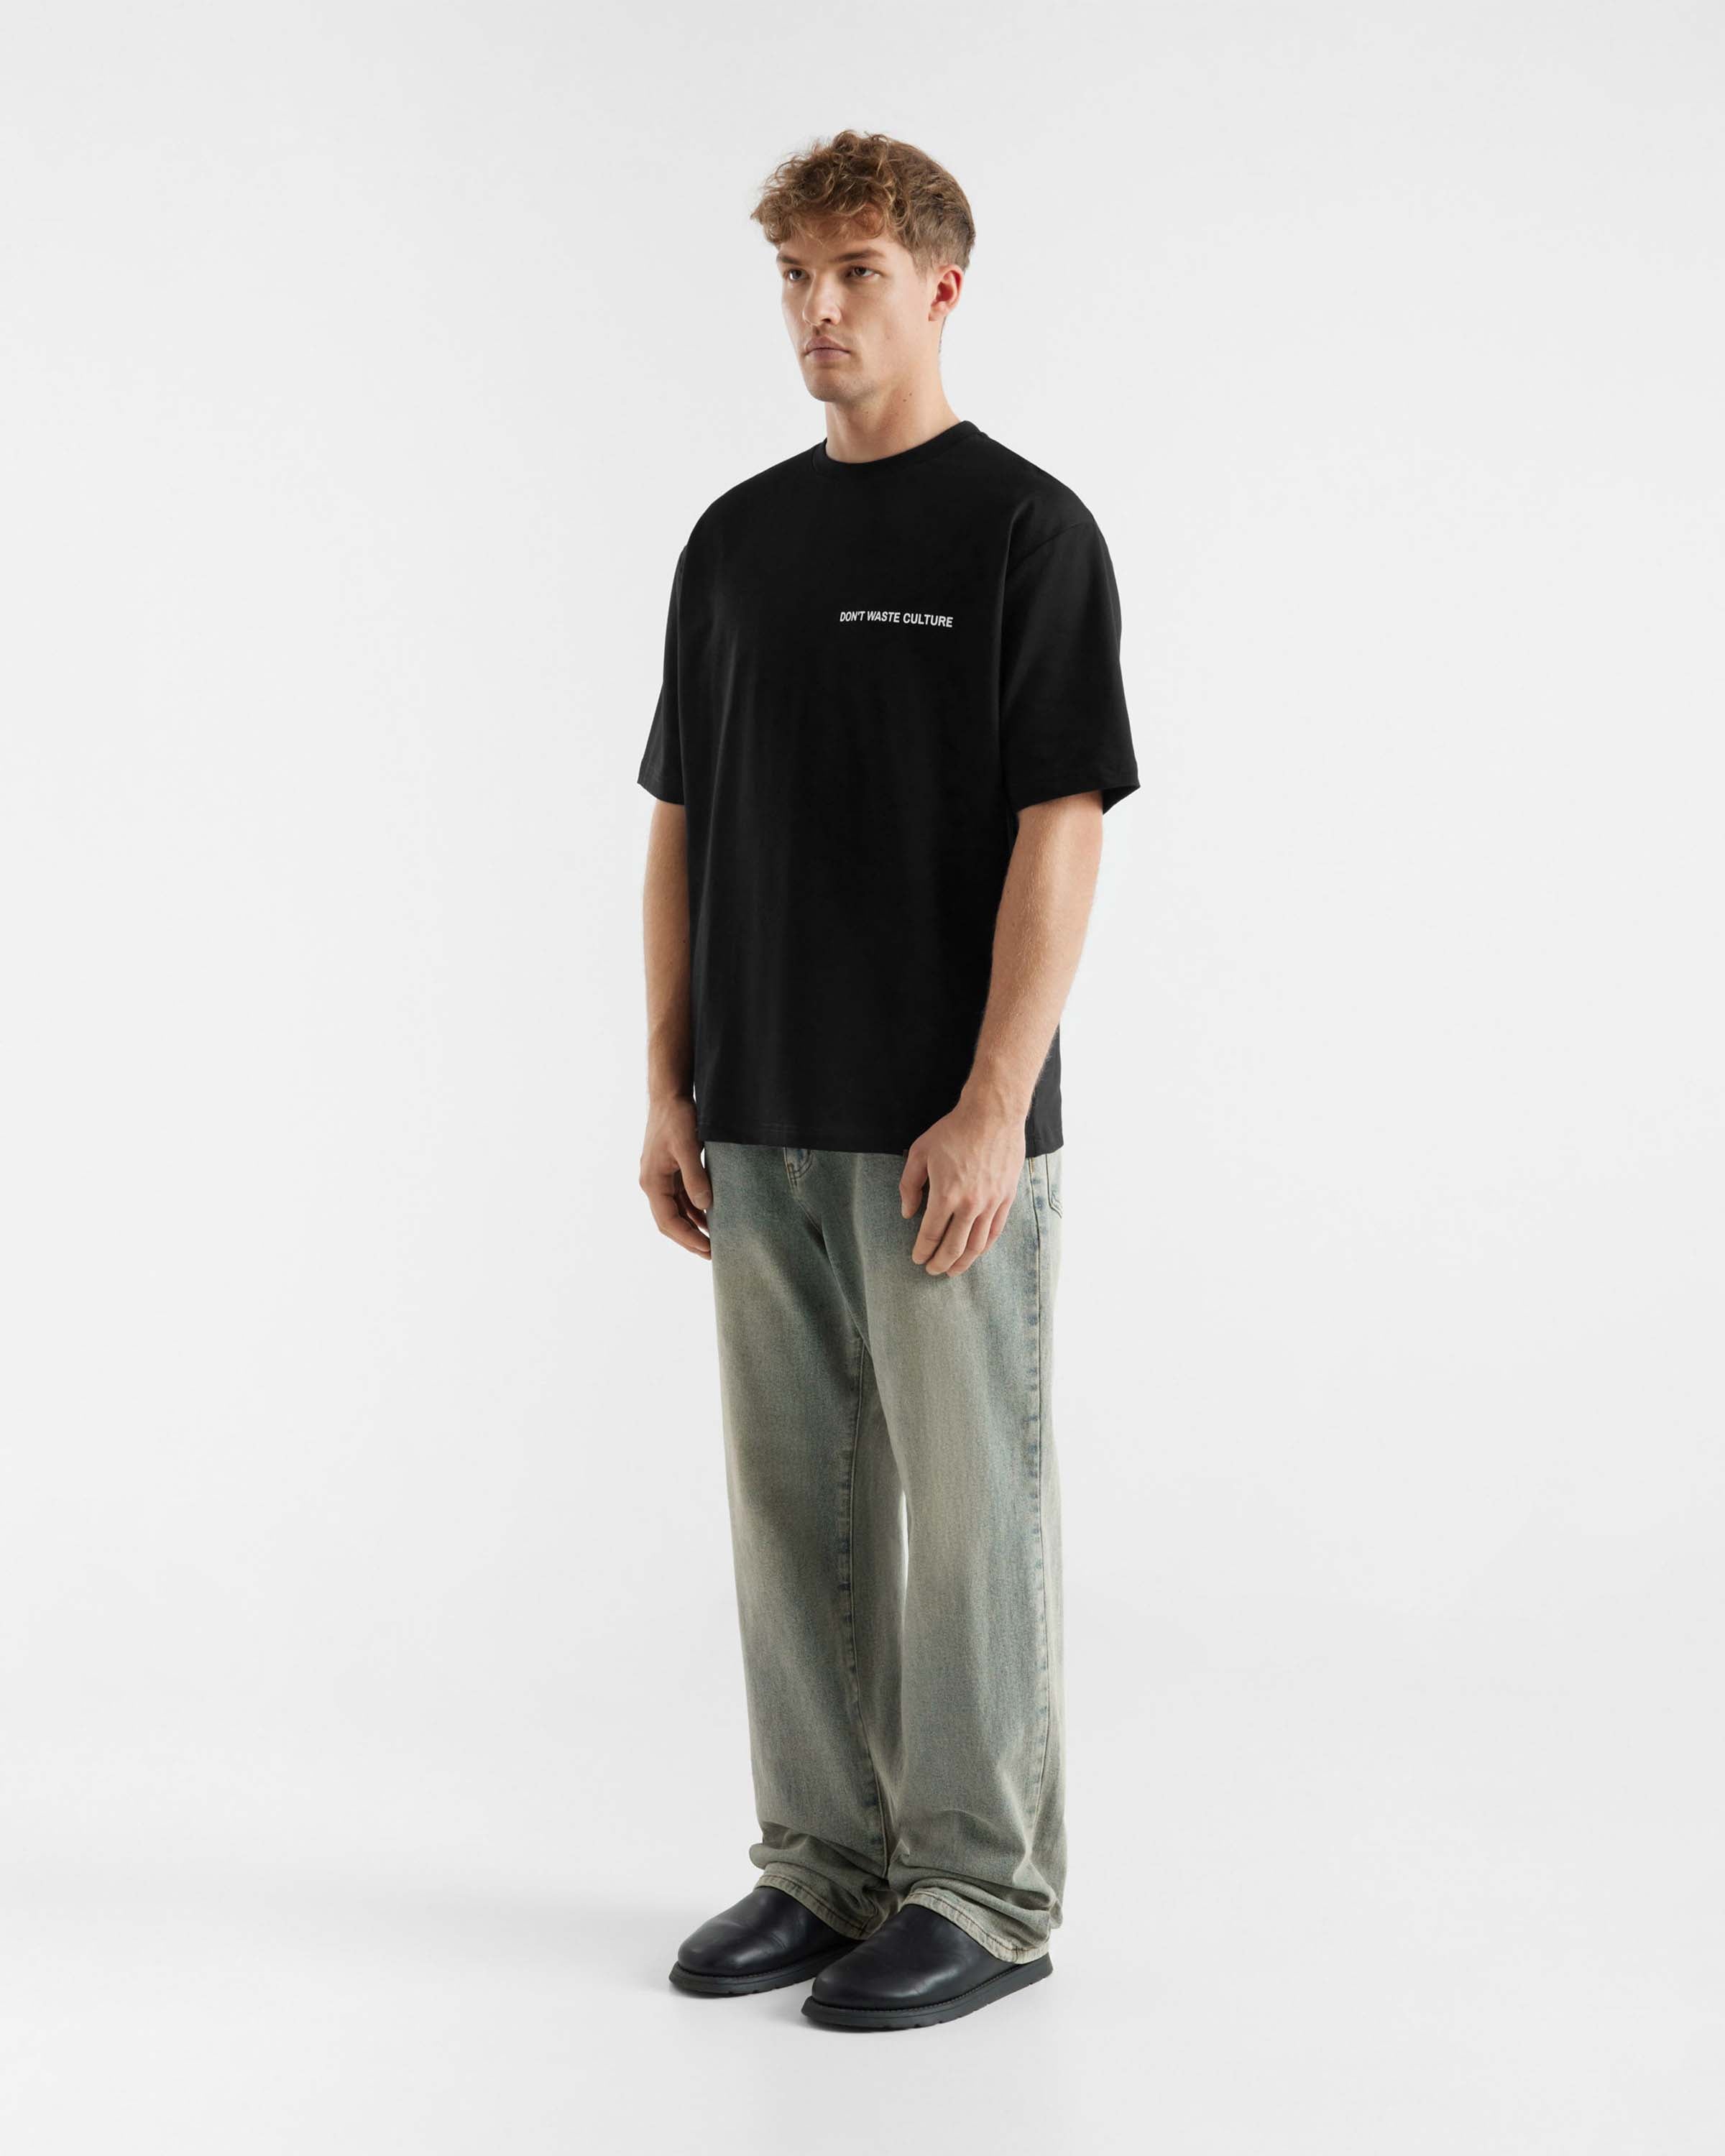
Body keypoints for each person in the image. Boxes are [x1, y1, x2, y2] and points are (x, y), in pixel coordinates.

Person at [636, 129, 1138, 2032]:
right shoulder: (734, 542)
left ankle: (983, 1892)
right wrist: (670, 1081)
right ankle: (826, 1866)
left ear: (941, 287)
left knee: (967, 1509)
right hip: (759, 1111)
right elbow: (681, 822)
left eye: (853, 273)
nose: (817, 311)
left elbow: (1063, 826)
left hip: (943, 1126)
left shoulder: (1025, 533)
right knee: (794, 1510)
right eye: (793, 276)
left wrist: (996, 1101)